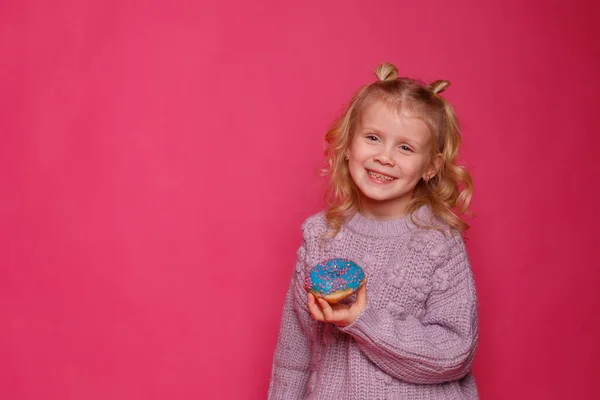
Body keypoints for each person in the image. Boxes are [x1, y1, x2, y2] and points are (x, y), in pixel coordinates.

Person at [268, 62, 479, 399]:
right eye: (373, 138)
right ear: (348, 144)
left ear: (431, 166)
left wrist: (362, 320)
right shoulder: (321, 236)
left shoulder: (438, 243)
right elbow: (294, 353)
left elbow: (454, 354)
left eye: (405, 147)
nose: (385, 157)